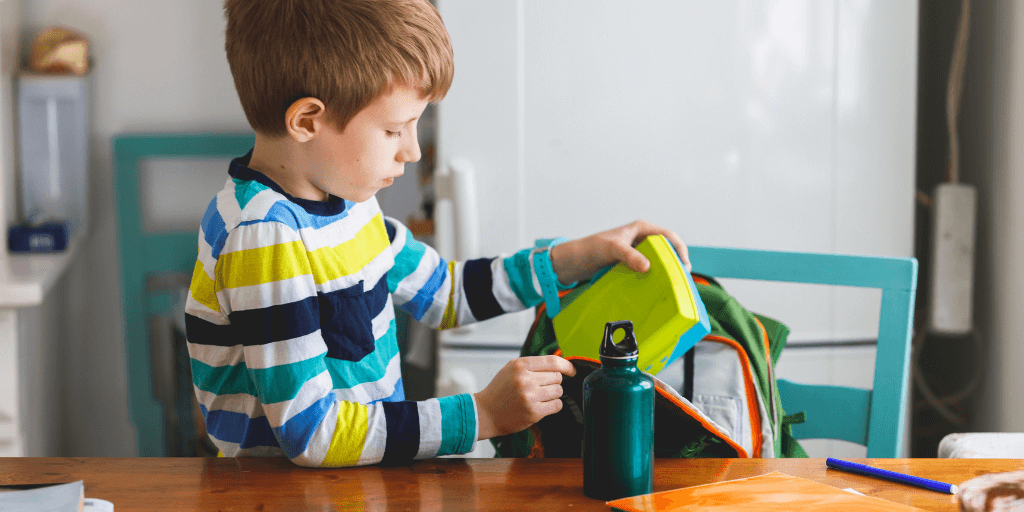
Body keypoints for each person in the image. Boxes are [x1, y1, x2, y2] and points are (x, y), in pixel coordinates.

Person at [184, 0, 691, 467]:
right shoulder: (264, 237)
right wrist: (481, 416)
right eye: (393, 130)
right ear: (307, 121)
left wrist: (577, 257)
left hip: (352, 481)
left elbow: (442, 293)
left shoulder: (349, 205)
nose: (413, 151)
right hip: (279, 495)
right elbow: (311, 433)